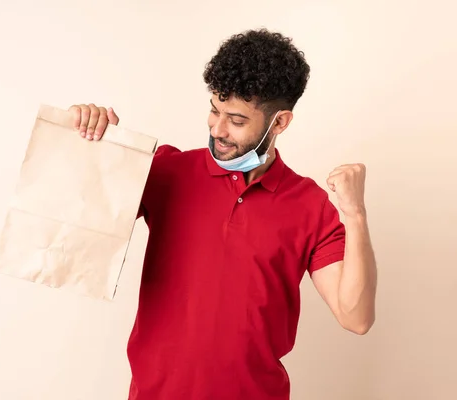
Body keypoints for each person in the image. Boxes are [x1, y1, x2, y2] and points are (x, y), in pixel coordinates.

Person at [68, 28, 377, 400]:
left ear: (279, 123)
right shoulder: (167, 170)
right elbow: (75, 220)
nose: (217, 129)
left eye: (237, 119)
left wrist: (355, 215)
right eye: (214, 109)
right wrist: (84, 137)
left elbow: (355, 317)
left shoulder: (309, 204)